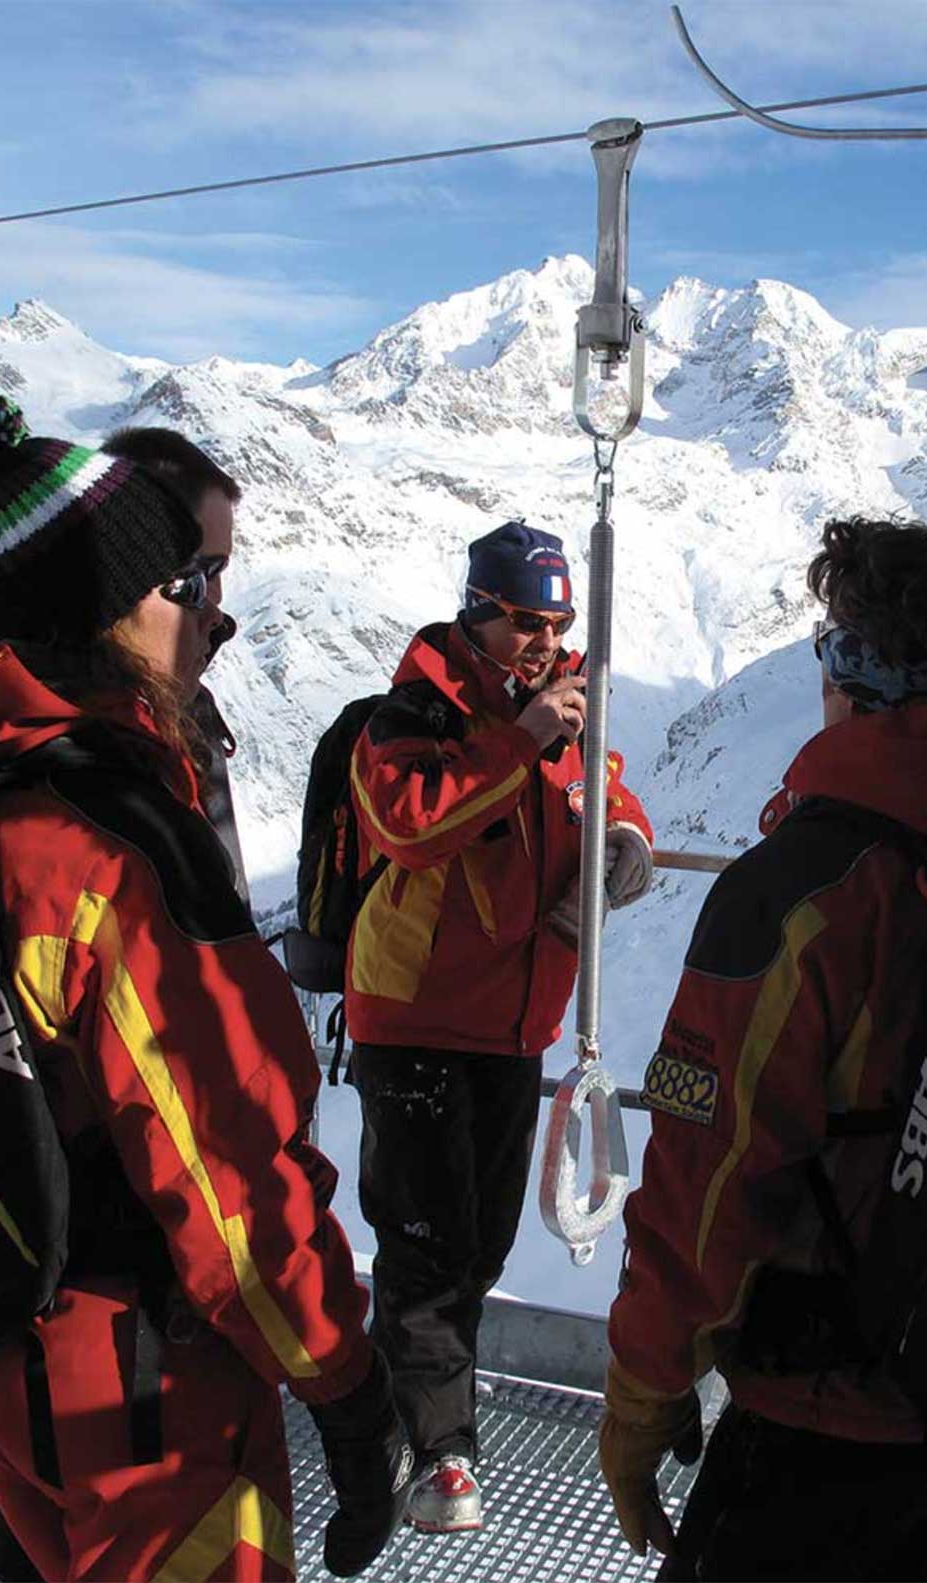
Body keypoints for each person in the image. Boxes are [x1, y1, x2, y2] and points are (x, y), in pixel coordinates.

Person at [0, 388, 410, 1582]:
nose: (214, 621)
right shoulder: (108, 845)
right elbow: (233, 1183)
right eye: (187, 588)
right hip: (141, 1395)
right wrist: (346, 1383)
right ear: (101, 612)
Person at [600, 516, 927, 1582]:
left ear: (856, 667)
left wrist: (642, 1393)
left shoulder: (801, 890)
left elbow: (707, 1177)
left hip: (833, 1424)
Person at [346, 519, 654, 1532]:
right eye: (525, 620)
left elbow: (605, 792)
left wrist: (624, 838)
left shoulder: (562, 708)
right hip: (419, 1016)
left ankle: (398, 1406)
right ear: (476, 608)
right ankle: (441, 1454)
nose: (543, 639)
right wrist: (516, 740)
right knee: (427, 1240)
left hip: (516, 1023)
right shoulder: (417, 708)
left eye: (556, 622)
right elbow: (406, 823)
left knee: (473, 1245)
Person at [100, 424, 250, 903]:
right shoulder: (67, 765)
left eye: (218, 570)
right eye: (189, 578)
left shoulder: (183, 714)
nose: (215, 610)